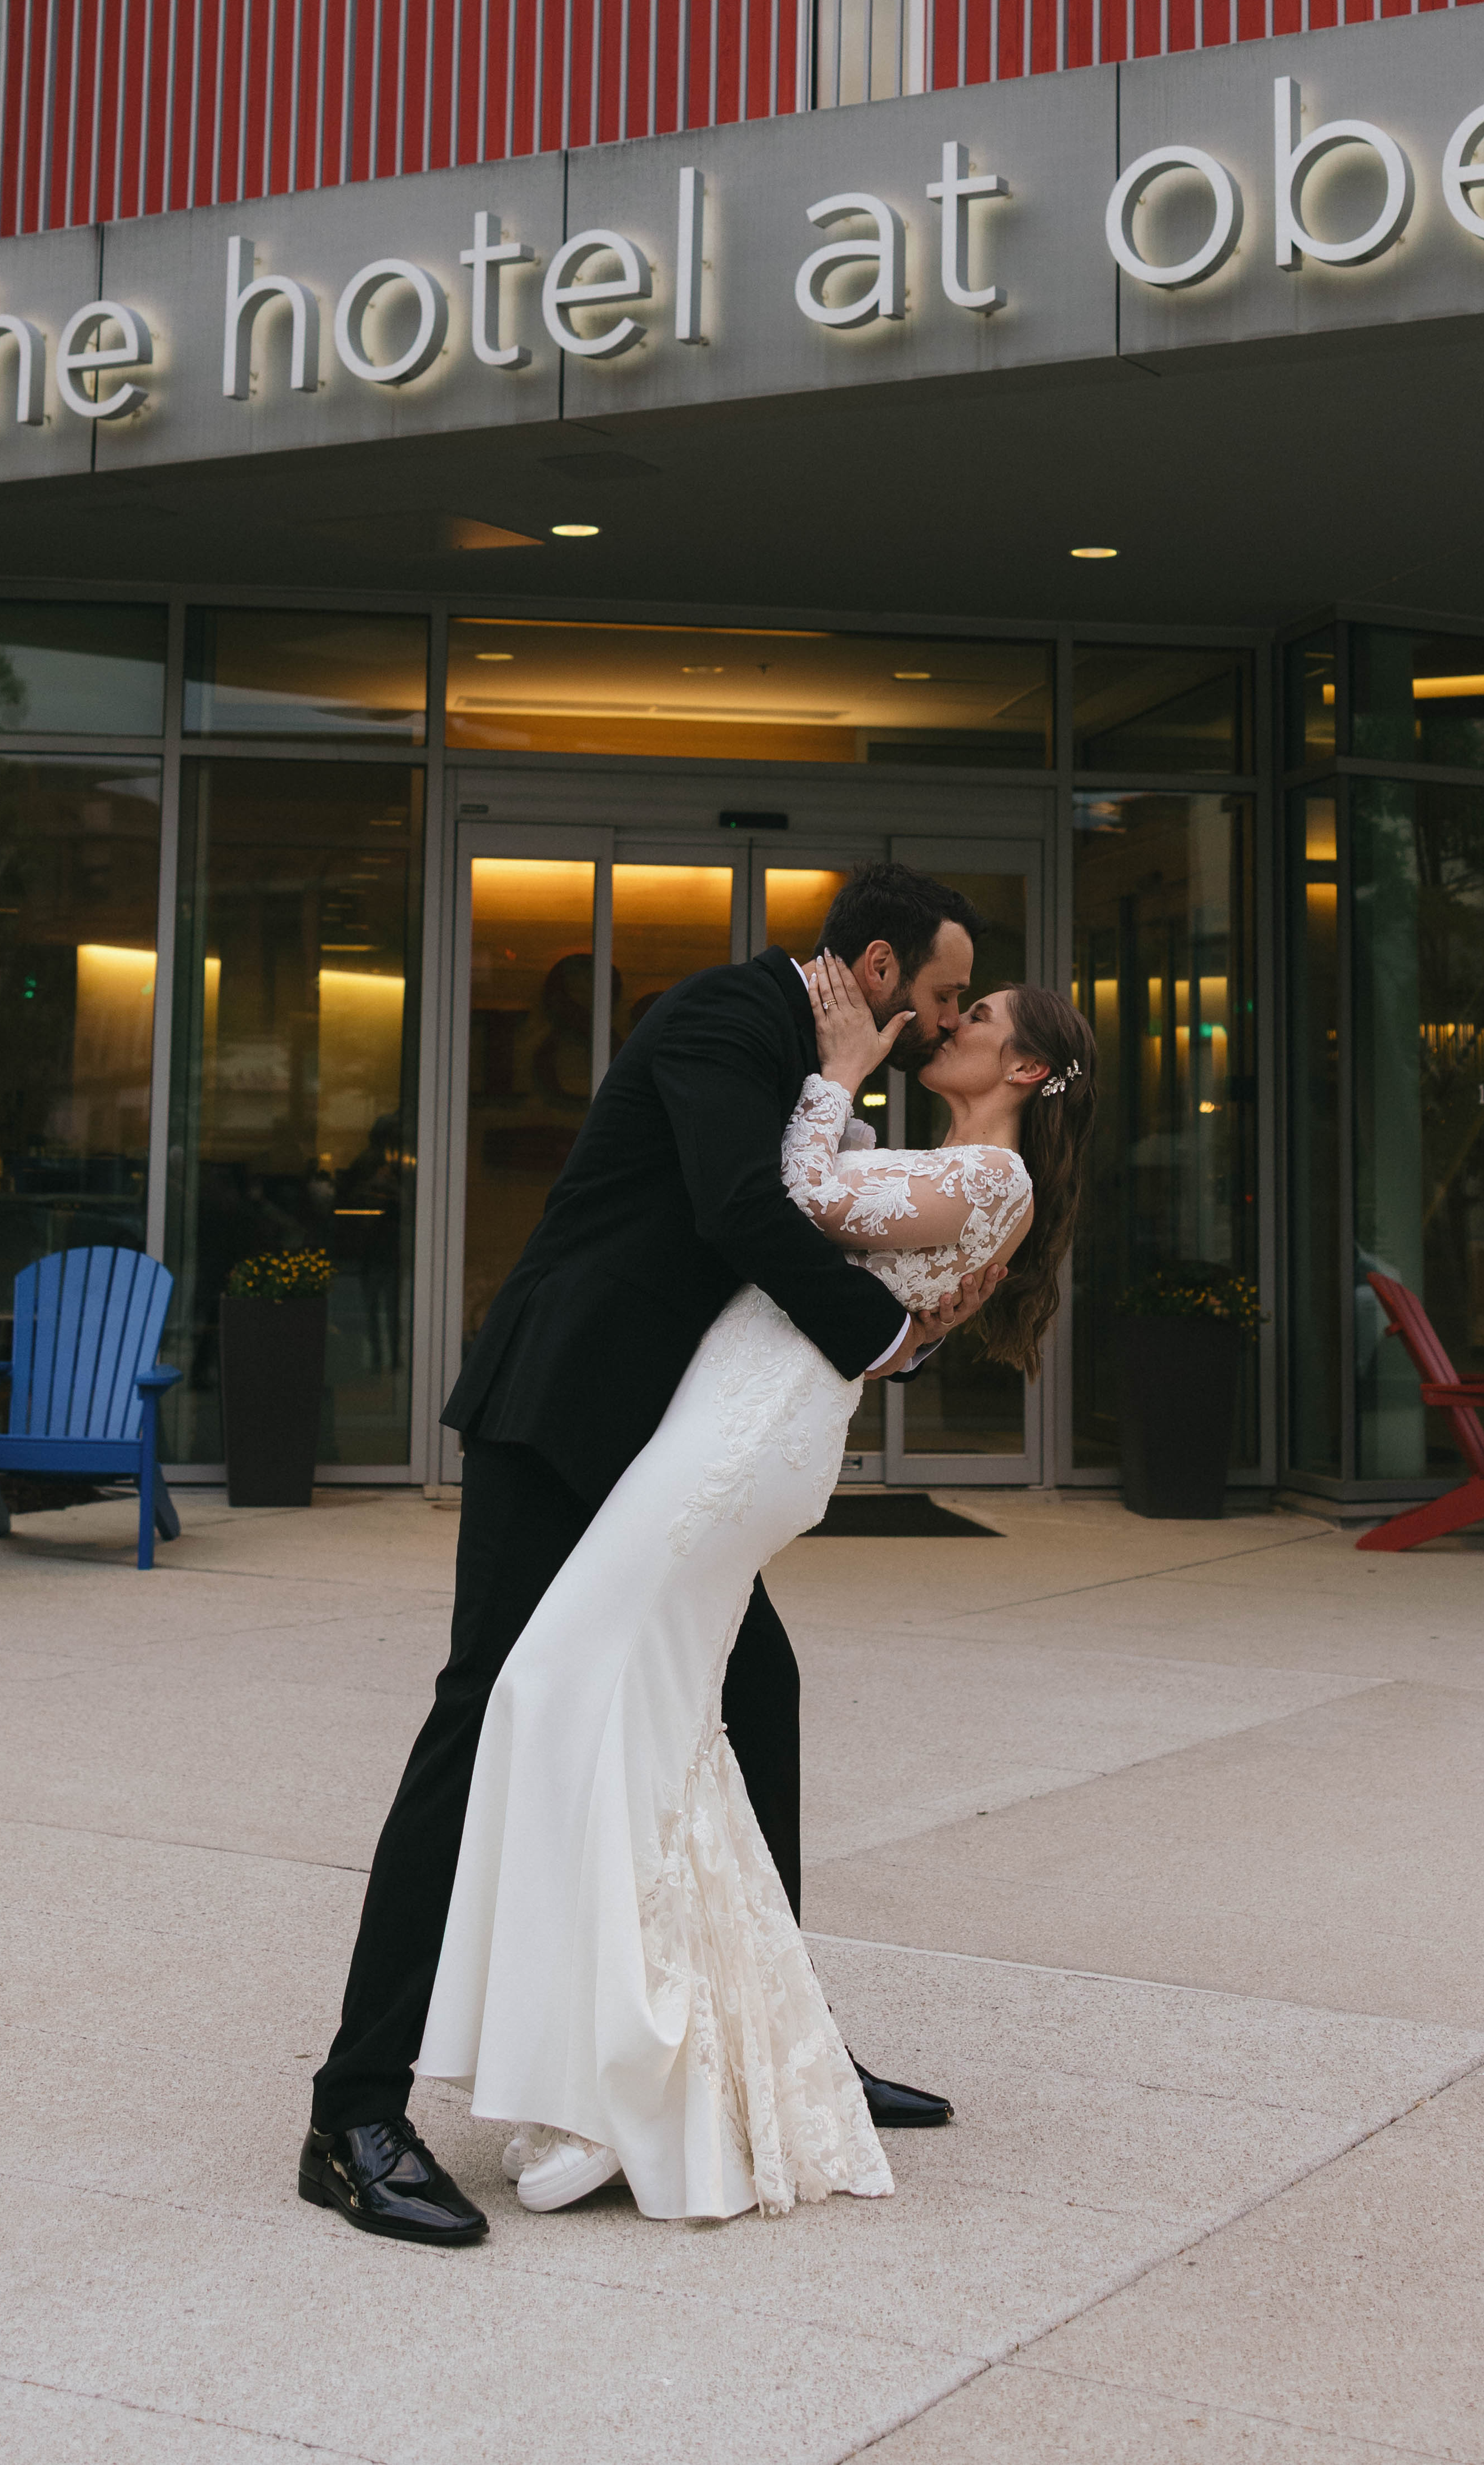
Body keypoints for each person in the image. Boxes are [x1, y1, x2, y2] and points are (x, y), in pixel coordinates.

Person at [298, 863, 1009, 2246]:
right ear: (874, 971)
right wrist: (881, 1342)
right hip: (563, 1414)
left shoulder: (806, 1052)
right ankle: (352, 2111)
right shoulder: (726, 1019)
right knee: (482, 1716)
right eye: (934, 996)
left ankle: (773, 2041)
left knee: (760, 1695)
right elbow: (742, 1208)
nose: (944, 1022)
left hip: (658, 1446)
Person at [420, 954, 1098, 2220]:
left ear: (1025, 1070)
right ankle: (652, 2051)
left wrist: (834, 1075)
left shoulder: (987, 1172)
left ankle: (636, 2067)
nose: (947, 1023)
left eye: (981, 1017)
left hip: (747, 1432)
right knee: (638, 1713)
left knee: (569, 1683)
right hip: (722, 1417)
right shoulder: (946, 1160)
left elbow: (792, 1195)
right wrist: (839, 1090)